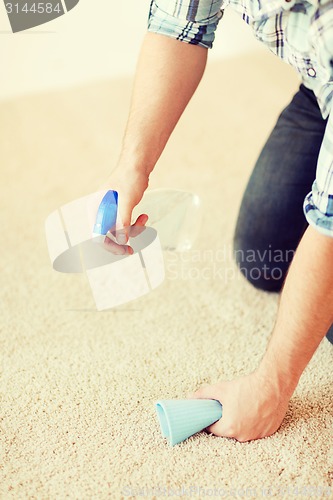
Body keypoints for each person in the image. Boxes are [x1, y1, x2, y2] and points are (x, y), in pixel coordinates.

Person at [107, 0, 333, 442]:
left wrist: (271, 389)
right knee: (264, 260)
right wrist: (132, 167)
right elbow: (178, 29)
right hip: (320, 80)